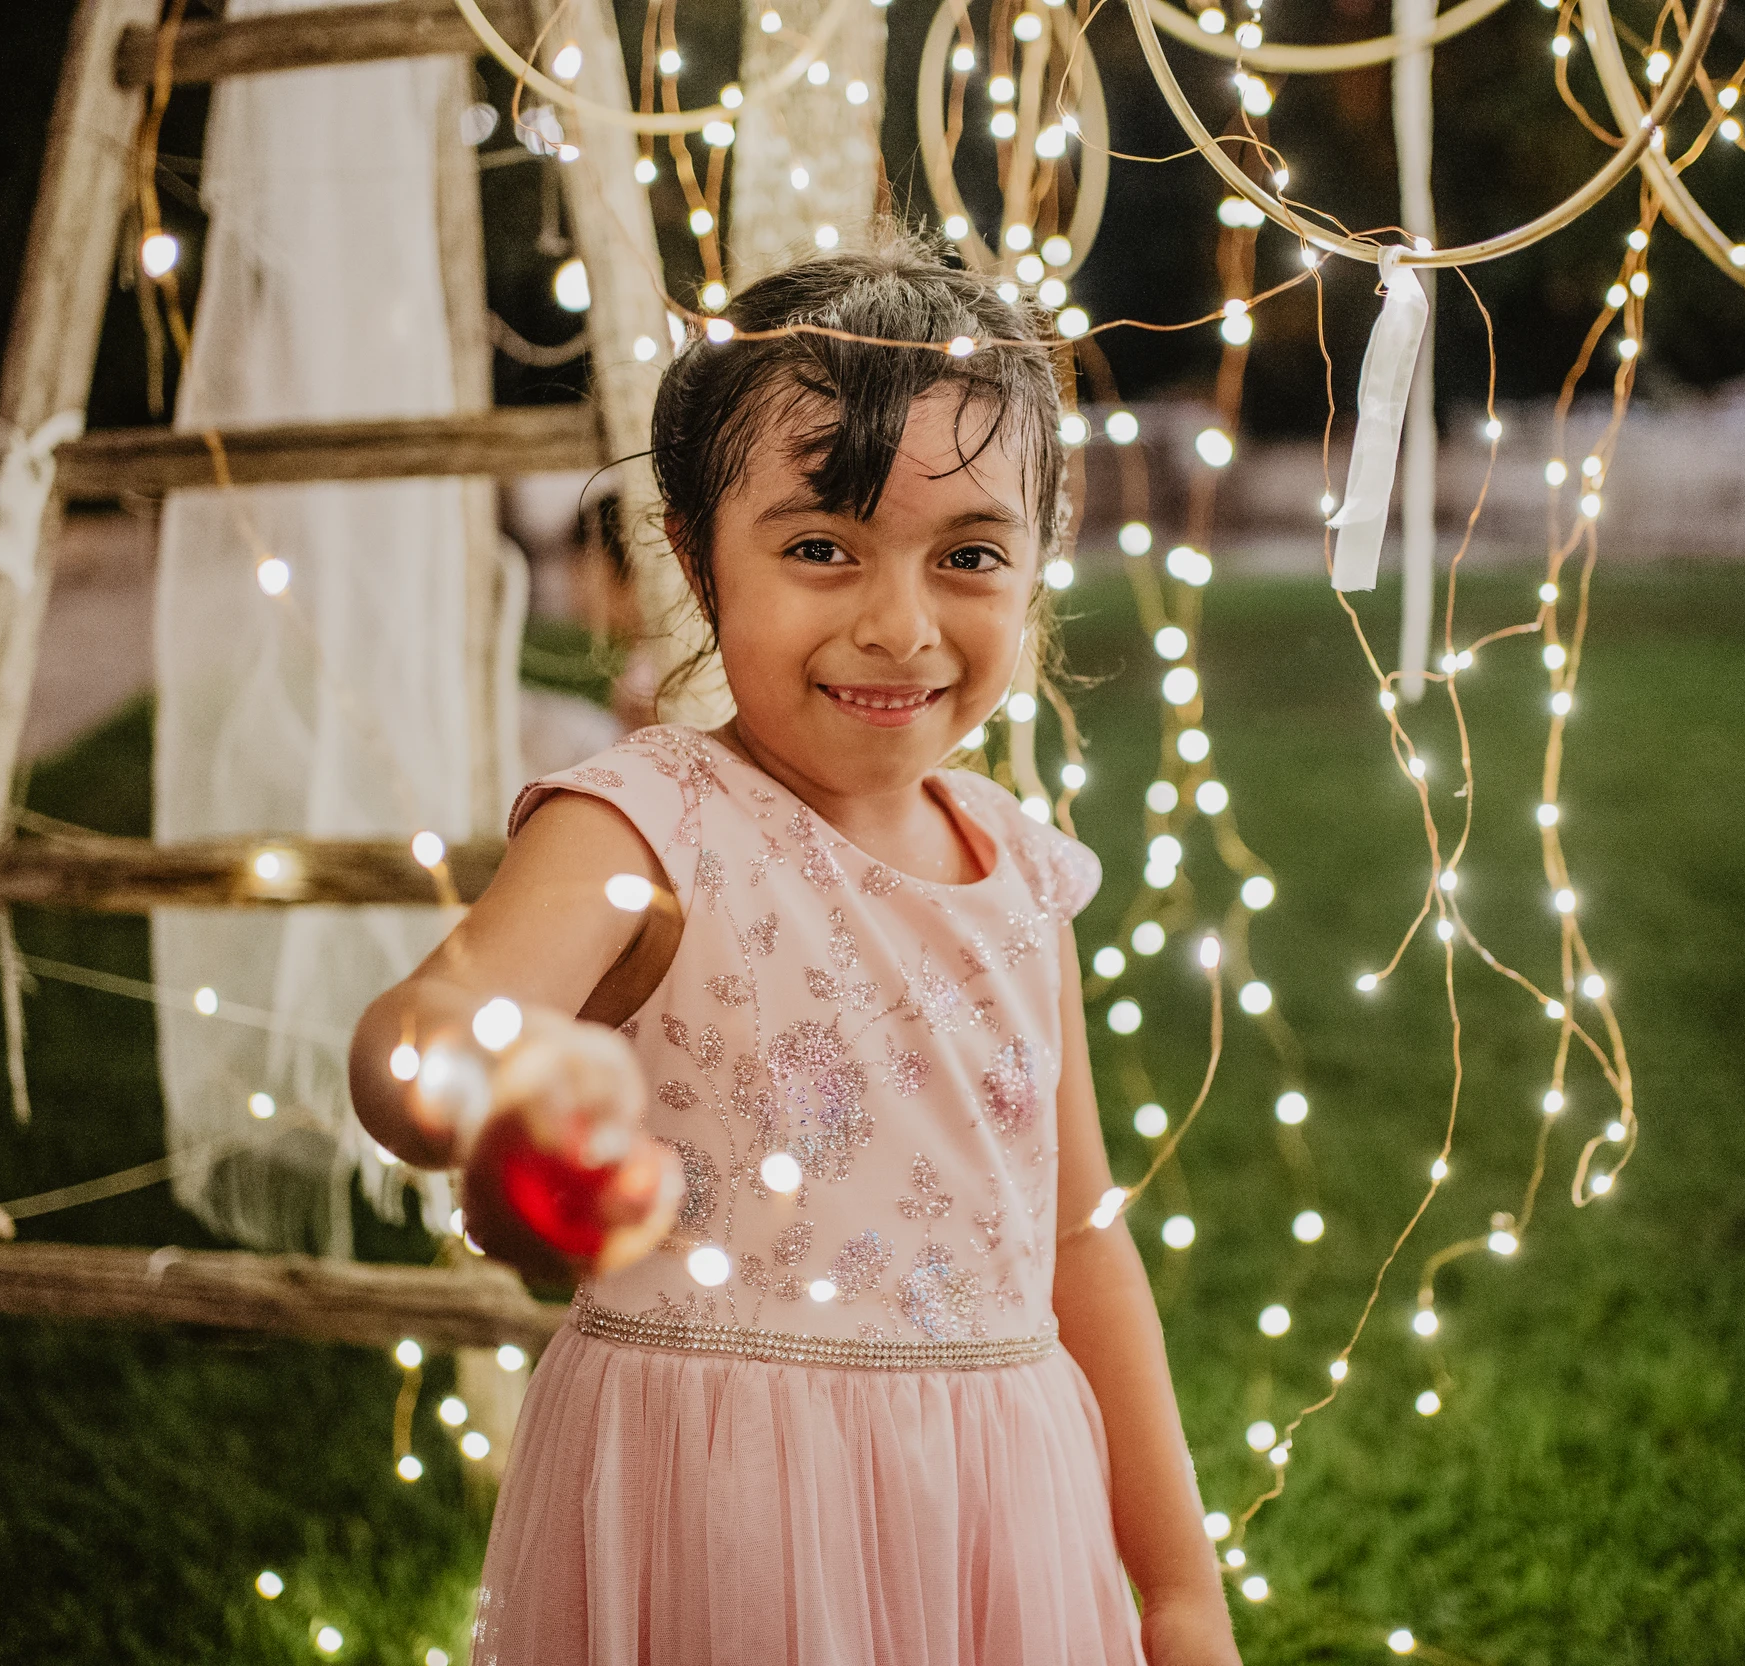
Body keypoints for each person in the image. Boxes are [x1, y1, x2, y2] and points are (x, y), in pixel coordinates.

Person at [348, 238, 1238, 1666]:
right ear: (702, 561)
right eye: (822, 546)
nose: (897, 625)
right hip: (725, 1519)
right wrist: (502, 1094)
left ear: (1036, 569)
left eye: (968, 556)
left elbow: (1079, 1238)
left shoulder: (1023, 873)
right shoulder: (648, 825)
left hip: (997, 1516)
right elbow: (425, 1025)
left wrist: (1181, 1589)